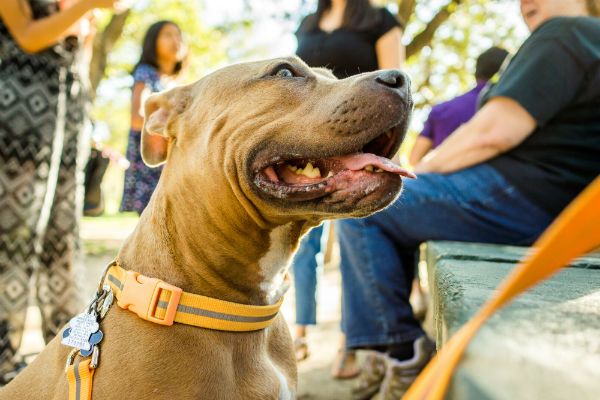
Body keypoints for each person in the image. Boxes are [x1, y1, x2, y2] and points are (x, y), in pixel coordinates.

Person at [336, 0, 600, 398]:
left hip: (522, 194)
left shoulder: (565, 32)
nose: (525, 1)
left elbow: (492, 133)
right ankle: (385, 348)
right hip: (564, 212)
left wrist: (411, 173)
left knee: (368, 203)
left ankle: (398, 349)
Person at [0, 0, 124, 384]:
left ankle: (75, 348)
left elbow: (80, 61)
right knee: (13, 235)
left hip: (67, 119)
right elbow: (28, 36)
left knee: (63, 238)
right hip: (18, 116)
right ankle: (5, 356)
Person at [294, 0, 405, 379]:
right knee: (301, 243)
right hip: (312, 140)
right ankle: (299, 330)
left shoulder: (380, 19)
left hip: (362, 139)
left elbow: (396, 82)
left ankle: (350, 340)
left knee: (355, 239)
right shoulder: (308, 22)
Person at [119, 20, 184, 215]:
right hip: (151, 156)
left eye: (179, 35)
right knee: (153, 215)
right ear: (152, 42)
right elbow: (137, 118)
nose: (176, 40)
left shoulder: (179, 82)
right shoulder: (145, 74)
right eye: (167, 35)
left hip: (173, 158)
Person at [408, 46, 509, 166]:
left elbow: (414, 158)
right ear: (506, 72)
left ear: (476, 72)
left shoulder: (441, 109)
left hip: (439, 178)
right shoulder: (509, 110)